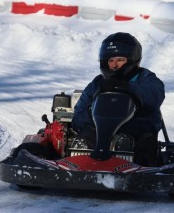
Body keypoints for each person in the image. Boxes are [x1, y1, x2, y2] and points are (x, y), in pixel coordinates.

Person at [71, 32, 165, 166]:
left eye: (120, 60)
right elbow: (77, 117)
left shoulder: (146, 79)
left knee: (141, 142)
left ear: (132, 59)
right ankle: (80, 160)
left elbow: (155, 96)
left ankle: (135, 168)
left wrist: (127, 88)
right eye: (111, 61)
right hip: (98, 133)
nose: (114, 65)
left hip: (136, 131)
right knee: (87, 135)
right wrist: (92, 112)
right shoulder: (97, 84)